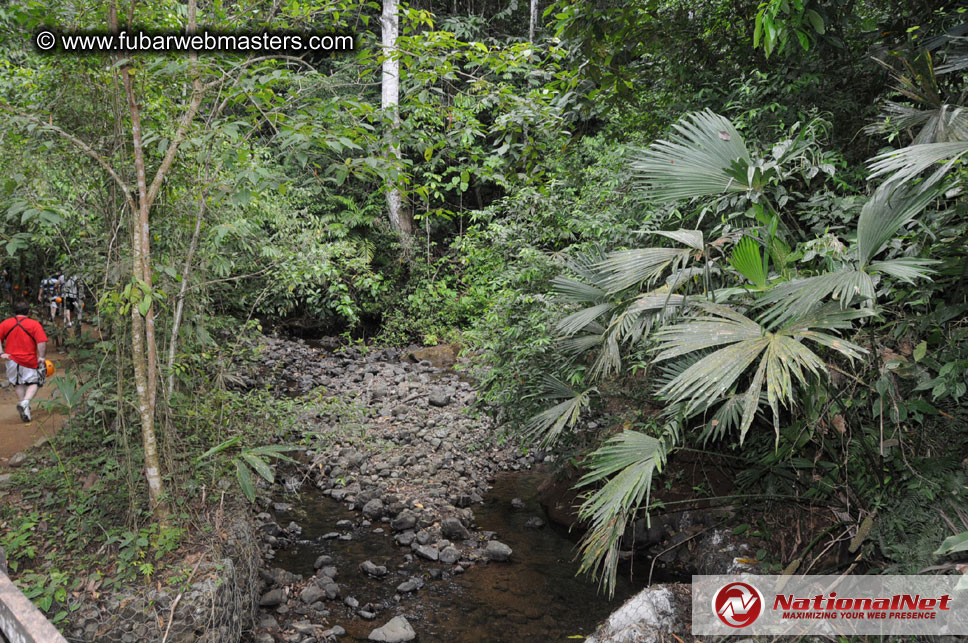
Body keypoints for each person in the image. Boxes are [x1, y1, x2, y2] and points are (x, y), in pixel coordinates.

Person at [0, 301, 48, 423]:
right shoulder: (34, 324)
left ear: (14, 312)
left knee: (18, 383)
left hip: (11, 360)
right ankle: (25, 403)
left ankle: (25, 408)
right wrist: (41, 357)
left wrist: (1, 353)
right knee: (35, 382)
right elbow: (41, 342)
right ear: (28, 312)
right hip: (29, 360)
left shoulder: (5, 323)